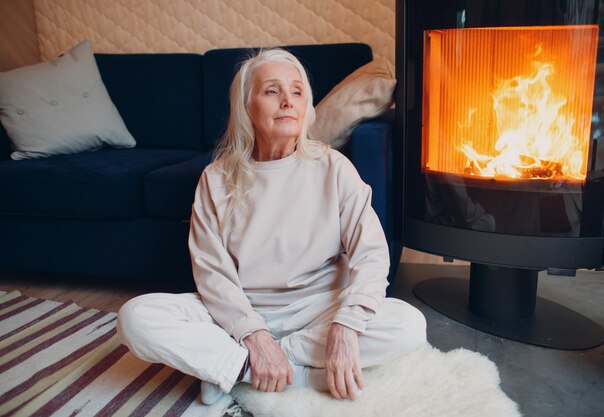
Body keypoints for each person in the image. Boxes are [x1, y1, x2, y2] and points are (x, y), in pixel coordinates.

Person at [116, 48, 427, 406]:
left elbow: (370, 255)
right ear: (247, 107)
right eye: (271, 91)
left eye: (297, 92)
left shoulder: (334, 167)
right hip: (239, 312)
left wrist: (345, 326)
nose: (287, 102)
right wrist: (253, 334)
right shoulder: (215, 179)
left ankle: (239, 371)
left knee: (407, 325)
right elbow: (212, 274)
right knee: (136, 319)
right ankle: (285, 371)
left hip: (319, 307)